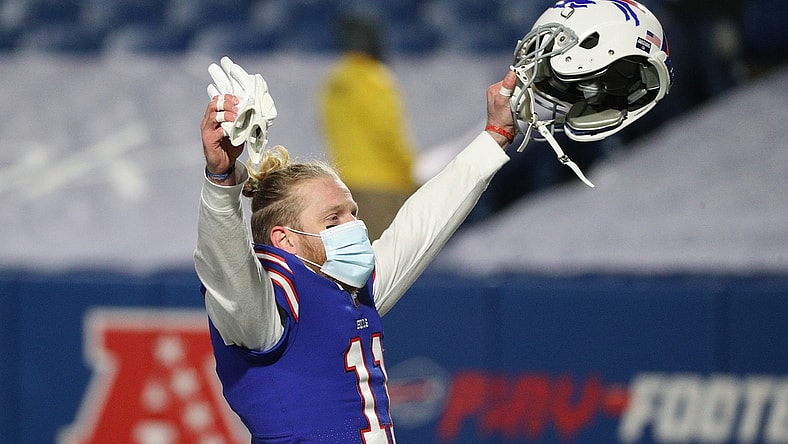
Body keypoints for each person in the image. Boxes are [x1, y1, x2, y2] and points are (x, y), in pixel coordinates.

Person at [194, 67, 518, 442]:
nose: (354, 226)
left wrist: (495, 136)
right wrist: (221, 182)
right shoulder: (270, 305)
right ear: (285, 240)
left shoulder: (350, 288)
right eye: (334, 218)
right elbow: (225, 267)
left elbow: (423, 220)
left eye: (353, 213)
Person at [319, 14, 418, 241]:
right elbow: (388, 134)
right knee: (383, 262)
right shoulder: (376, 79)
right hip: (382, 185)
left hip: (346, 183)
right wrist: (409, 175)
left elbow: (330, 127)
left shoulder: (334, 81)